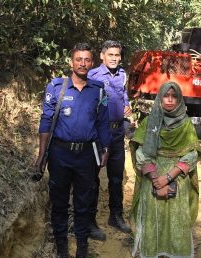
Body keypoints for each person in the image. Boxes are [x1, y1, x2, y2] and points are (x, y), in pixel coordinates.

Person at [34, 43, 110, 258]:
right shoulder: (56, 87)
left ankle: (82, 250)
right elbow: (46, 121)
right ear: (71, 62)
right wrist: (41, 155)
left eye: (87, 60)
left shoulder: (98, 89)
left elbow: (103, 122)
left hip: (87, 155)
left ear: (92, 63)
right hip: (60, 154)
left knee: (83, 203)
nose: (83, 63)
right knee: (59, 203)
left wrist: (106, 148)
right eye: (79, 59)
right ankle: (62, 250)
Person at [129, 82, 201, 258]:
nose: (169, 100)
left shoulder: (186, 125)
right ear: (159, 98)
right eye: (165, 96)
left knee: (176, 219)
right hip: (152, 176)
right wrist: (156, 180)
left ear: (179, 99)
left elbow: (192, 155)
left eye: (174, 96)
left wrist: (167, 178)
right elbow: (141, 152)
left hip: (177, 179)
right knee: (153, 218)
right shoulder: (149, 122)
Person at [87, 40, 133, 235]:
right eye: (111, 55)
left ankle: (116, 216)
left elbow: (124, 97)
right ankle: (89, 220)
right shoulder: (93, 75)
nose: (115, 58)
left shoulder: (122, 74)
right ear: (102, 56)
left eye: (117, 55)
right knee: (92, 178)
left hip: (117, 134)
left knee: (116, 177)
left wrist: (127, 110)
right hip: (99, 134)